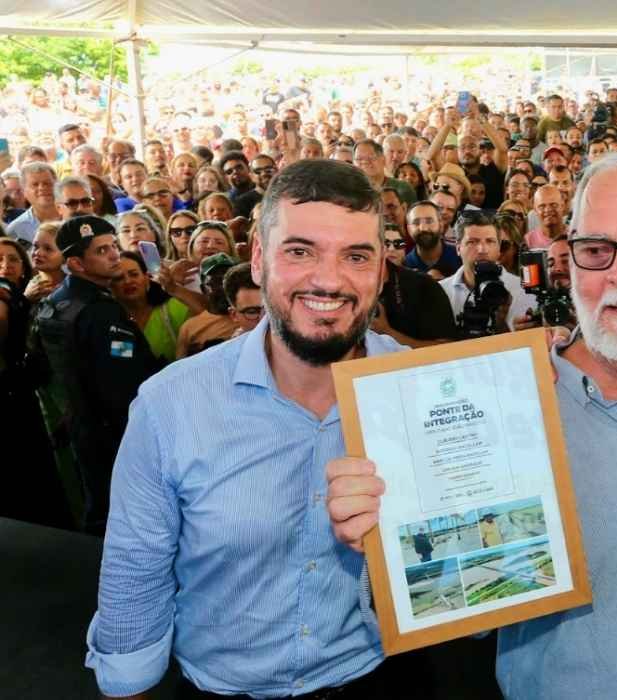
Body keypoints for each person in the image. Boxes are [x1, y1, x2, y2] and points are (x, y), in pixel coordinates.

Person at [327, 150, 617, 698]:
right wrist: (386, 539)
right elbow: (450, 602)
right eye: (596, 250)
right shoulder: (508, 410)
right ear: (569, 260)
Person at [86, 159, 411, 698]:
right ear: (259, 261)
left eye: (356, 256)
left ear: (380, 272)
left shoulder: (417, 389)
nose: (328, 279)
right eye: (300, 251)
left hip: (375, 677)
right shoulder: (171, 405)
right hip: (219, 688)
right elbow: (134, 573)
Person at [30, 216, 162, 534]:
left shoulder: (56, 301)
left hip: (81, 426)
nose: (115, 255)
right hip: (115, 432)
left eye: (114, 246)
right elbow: (123, 382)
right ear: (76, 263)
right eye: (101, 251)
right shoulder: (99, 312)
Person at [0, 237, 74, 529]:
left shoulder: (41, 296)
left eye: (13, 259)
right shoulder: (12, 295)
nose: (5, 265)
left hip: (38, 393)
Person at [438, 210, 532, 335]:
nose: (482, 250)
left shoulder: (523, 290)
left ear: (499, 248)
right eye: (473, 242)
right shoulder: (440, 291)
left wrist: (501, 325)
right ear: (458, 248)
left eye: (490, 241)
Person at [109, 251, 203, 363]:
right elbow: (124, 360)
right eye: (119, 278)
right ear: (110, 286)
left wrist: (174, 288)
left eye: (134, 274)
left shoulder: (172, 307)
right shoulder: (110, 322)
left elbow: (209, 315)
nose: (128, 281)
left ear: (147, 278)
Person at [174, 253, 240, 358]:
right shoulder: (190, 328)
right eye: (215, 282)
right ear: (203, 289)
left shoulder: (252, 318)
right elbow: (180, 369)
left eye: (230, 281)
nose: (223, 288)